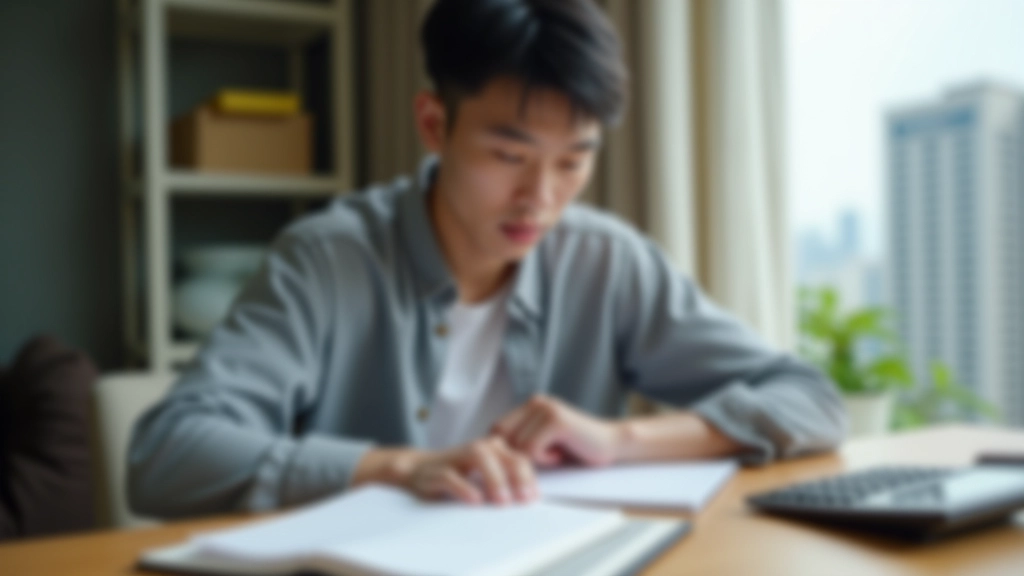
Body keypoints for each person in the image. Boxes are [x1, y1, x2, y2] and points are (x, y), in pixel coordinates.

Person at [129, 0, 845, 518]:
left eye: (573, 162)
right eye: (509, 156)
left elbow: (810, 399)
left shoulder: (606, 262)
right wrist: (397, 468)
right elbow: (164, 456)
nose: (541, 197)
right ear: (433, 123)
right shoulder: (326, 261)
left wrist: (618, 438)